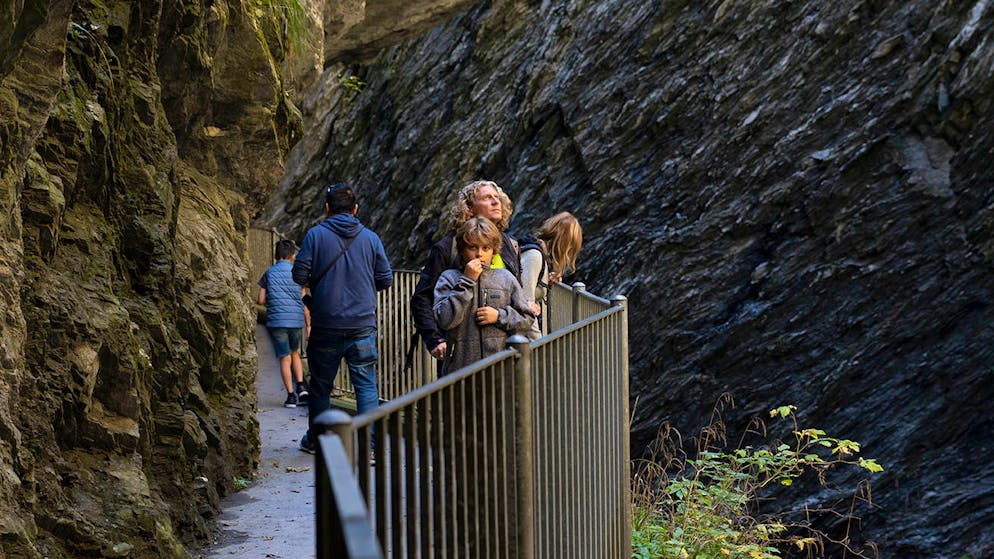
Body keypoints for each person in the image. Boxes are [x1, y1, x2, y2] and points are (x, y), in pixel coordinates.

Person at [292, 182, 393, 454]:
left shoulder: (314, 236)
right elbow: (385, 278)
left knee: (321, 385)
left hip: (326, 324)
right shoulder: (371, 238)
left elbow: (299, 276)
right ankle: (370, 446)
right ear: (356, 209)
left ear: (327, 208)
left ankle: (317, 439)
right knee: (365, 384)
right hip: (362, 324)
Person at [411, 180, 520, 363]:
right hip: (460, 352)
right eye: (487, 198)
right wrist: (434, 339)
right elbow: (422, 298)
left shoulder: (508, 244)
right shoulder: (448, 247)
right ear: (469, 207)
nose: (496, 202)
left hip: (504, 351)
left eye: (497, 197)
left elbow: (516, 292)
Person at [433, 217, 534, 372]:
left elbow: (527, 319)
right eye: (472, 247)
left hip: (501, 368)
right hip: (460, 371)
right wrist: (466, 281)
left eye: (485, 248)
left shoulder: (506, 278)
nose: (479, 254)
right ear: (462, 249)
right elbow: (444, 320)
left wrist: (499, 316)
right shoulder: (449, 278)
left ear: (494, 251)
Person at [258, 239, 310, 407]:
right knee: (295, 353)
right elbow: (304, 301)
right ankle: (301, 387)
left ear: (275, 255)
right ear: (293, 256)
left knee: (284, 357)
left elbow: (260, 300)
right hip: (295, 320)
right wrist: (309, 325)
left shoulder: (269, 273)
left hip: (277, 321)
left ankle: (290, 396)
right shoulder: (298, 273)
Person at [519, 212, 583, 340]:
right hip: (520, 340)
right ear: (564, 244)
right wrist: (539, 345)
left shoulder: (539, 255)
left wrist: (545, 282)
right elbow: (526, 306)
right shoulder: (534, 257)